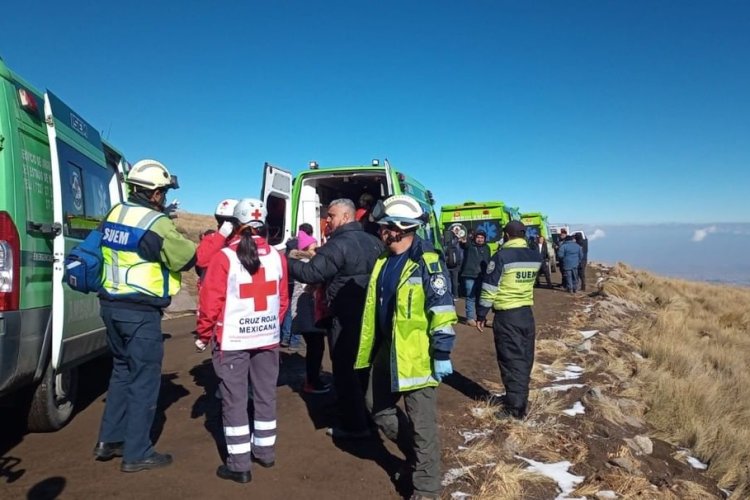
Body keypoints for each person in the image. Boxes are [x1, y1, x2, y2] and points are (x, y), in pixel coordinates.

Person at [94, 159, 196, 472]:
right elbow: (184, 257)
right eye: (163, 192)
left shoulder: (114, 213)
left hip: (110, 306)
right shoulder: (154, 222)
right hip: (139, 312)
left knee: (122, 372)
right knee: (144, 381)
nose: (164, 198)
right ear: (153, 194)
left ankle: (109, 440)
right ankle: (137, 452)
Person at [355, 195, 457, 500]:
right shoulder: (384, 261)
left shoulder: (427, 263)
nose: (380, 231)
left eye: (384, 226)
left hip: (419, 357)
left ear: (399, 229)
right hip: (388, 351)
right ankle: (419, 460)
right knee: (377, 406)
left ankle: (427, 490)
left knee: (423, 425)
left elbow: (442, 311)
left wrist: (441, 352)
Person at [195, 198, 289, 484]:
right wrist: (270, 326)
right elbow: (282, 301)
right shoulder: (277, 256)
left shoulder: (224, 257)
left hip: (233, 339)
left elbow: (210, 301)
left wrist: (203, 334)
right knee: (265, 394)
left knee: (234, 401)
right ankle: (265, 451)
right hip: (267, 339)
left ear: (235, 225)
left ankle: (239, 464)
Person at [287, 198, 384, 439]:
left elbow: (310, 273)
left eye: (330, 215)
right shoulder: (374, 242)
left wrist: (285, 260)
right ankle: (370, 417)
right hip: (371, 317)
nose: (326, 220)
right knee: (365, 368)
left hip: (344, 317)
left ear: (346, 216)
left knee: (345, 371)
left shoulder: (337, 244)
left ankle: (353, 426)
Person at [476, 221, 542, 420]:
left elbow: (489, 288)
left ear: (506, 235)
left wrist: (481, 313)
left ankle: (515, 409)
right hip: (526, 314)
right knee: (525, 358)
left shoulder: (501, 256)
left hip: (507, 315)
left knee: (510, 360)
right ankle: (520, 398)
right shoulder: (535, 256)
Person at [288, 230, 330, 394]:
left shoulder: (301, 260)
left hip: (308, 308)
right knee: (315, 347)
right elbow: (311, 282)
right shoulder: (305, 262)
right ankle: (312, 382)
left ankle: (313, 377)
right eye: (313, 246)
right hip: (306, 309)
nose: (316, 248)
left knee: (315, 346)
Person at [280, 223, 315, 350]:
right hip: (300, 282)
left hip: (289, 280)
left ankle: (285, 337)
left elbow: (289, 255)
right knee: (297, 310)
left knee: (289, 310)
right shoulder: (308, 245)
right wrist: (311, 253)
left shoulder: (291, 244)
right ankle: (294, 341)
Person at [459, 229, 491, 326]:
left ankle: (482, 318)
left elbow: (488, 261)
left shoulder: (487, 248)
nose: (480, 239)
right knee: (470, 297)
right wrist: (464, 239)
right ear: (474, 238)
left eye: (482, 238)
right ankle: (470, 318)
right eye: (478, 237)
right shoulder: (470, 246)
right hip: (470, 275)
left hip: (482, 276)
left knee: (481, 298)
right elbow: (464, 244)